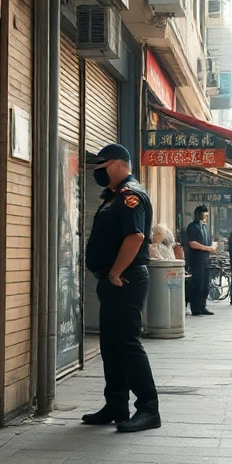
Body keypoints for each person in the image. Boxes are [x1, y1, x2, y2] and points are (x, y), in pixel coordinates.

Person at [81, 143, 161, 433]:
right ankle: (116, 404)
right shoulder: (112, 196)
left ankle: (149, 409)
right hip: (111, 280)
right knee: (111, 345)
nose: (97, 174)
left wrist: (115, 273)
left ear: (115, 163)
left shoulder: (130, 195)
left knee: (126, 344)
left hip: (124, 280)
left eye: (100, 168)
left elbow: (136, 237)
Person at [183, 206, 216, 316]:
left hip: (205, 259)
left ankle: (202, 306)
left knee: (205, 284)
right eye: (204, 214)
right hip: (196, 260)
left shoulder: (205, 227)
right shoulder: (193, 227)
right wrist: (207, 248)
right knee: (197, 284)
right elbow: (192, 243)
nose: (206, 216)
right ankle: (195, 308)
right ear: (198, 214)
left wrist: (211, 247)